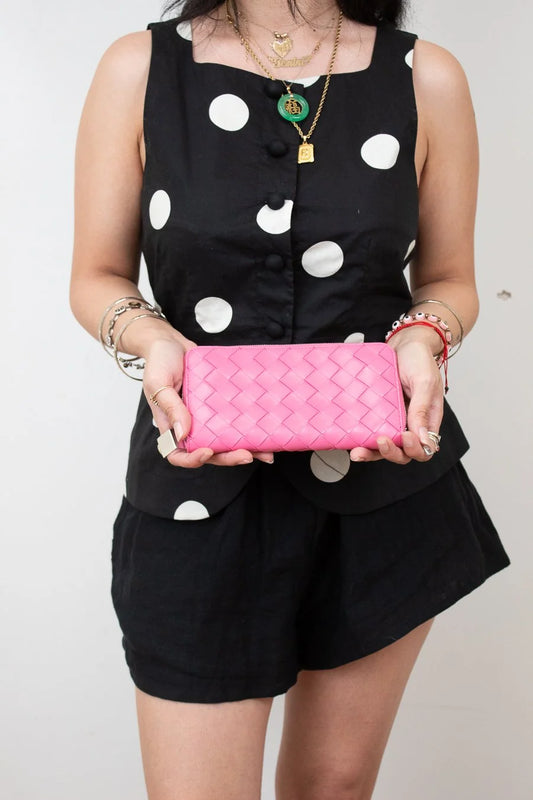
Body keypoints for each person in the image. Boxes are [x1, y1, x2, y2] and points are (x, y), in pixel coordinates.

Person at [69, 0, 511, 797]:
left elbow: (449, 281)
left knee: (331, 787)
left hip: (382, 487)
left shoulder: (426, 77)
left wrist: (423, 338)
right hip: (198, 485)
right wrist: (152, 340)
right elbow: (95, 277)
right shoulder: (140, 68)